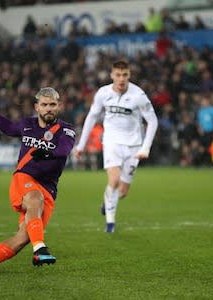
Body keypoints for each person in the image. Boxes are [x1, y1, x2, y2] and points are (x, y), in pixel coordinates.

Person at [0, 87, 76, 272]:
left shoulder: (66, 130)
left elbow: (63, 150)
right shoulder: (27, 125)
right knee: (34, 199)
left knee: (23, 237)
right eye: (44, 105)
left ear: (59, 106)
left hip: (49, 188)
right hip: (24, 178)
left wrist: (47, 153)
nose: (48, 108)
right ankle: (40, 248)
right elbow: (7, 127)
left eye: (52, 104)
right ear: (37, 107)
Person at [74, 60, 158, 233]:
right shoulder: (103, 93)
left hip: (134, 145)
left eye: (125, 75)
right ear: (111, 75)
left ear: (129, 75)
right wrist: (81, 144)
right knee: (113, 179)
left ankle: (108, 201)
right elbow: (91, 117)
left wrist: (146, 147)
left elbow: (152, 120)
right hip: (111, 141)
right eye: (118, 75)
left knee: (123, 190)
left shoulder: (138, 95)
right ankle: (110, 223)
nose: (121, 79)